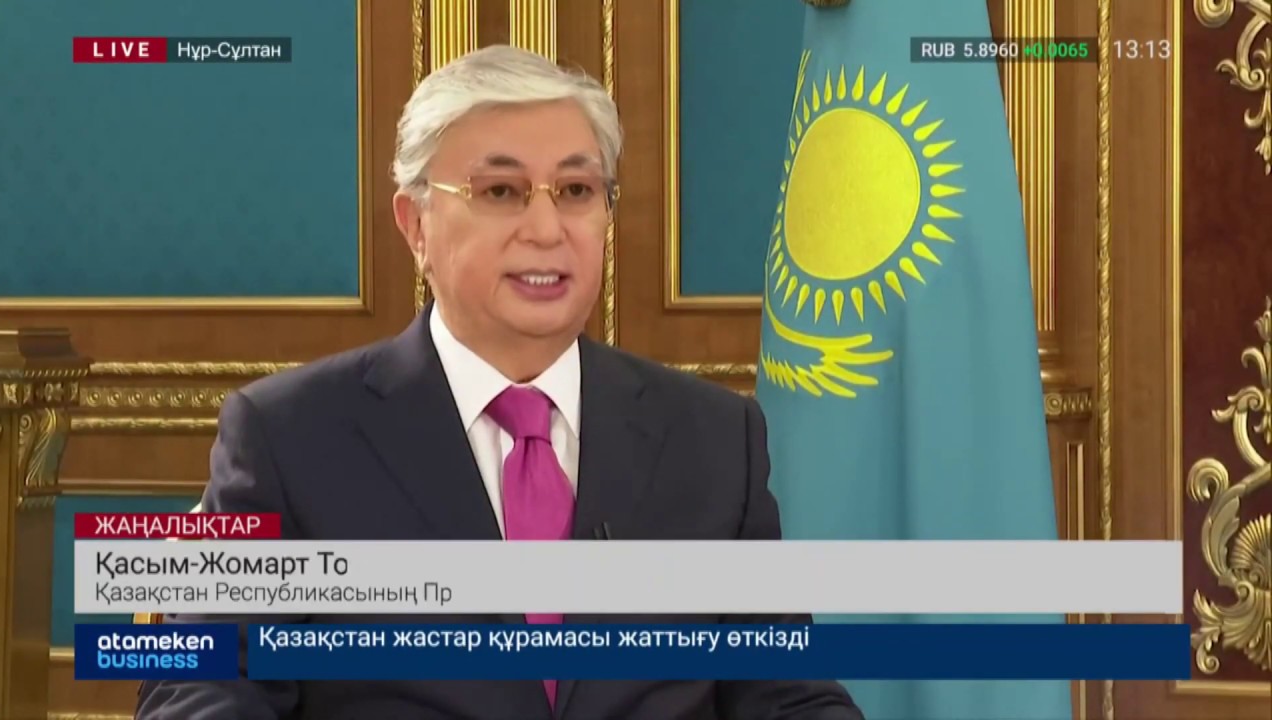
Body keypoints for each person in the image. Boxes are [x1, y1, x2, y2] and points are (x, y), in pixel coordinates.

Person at [136, 44, 863, 720]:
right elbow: (200, 687)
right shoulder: (290, 437)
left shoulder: (714, 438)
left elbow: (786, 692)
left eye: (576, 189)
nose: (546, 229)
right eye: (501, 191)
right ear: (415, 224)